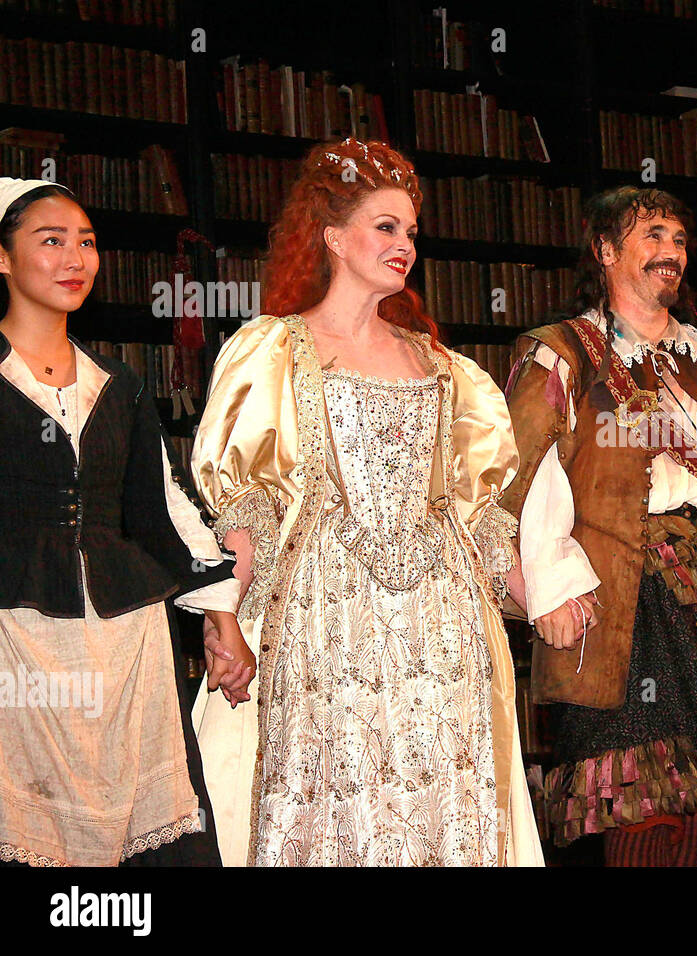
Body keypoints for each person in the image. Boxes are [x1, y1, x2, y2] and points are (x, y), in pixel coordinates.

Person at [189, 139, 543, 866]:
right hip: (324, 628)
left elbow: (478, 517)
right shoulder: (272, 352)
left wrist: (553, 595)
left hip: (442, 635)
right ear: (331, 236)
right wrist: (223, 616)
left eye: (410, 231)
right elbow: (248, 507)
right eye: (385, 226)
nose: (404, 244)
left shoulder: (450, 371)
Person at [501, 186, 697, 866]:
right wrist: (544, 587)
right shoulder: (562, 354)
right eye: (651, 235)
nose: (669, 252)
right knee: (644, 799)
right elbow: (523, 477)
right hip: (617, 599)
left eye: (678, 239)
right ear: (605, 250)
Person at [0, 178, 244, 867]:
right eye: (50, 241)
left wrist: (219, 614)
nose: (75, 256)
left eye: (86, 241)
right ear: (3, 260)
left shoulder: (119, 382)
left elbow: (164, 508)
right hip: (16, 641)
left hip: (125, 647)